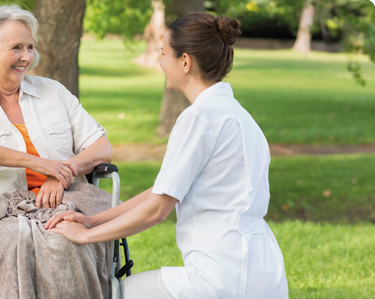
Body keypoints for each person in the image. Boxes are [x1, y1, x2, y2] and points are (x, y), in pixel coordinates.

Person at [46, 12, 288, 299]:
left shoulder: (199, 118)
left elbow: (157, 209)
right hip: (267, 275)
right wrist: (94, 220)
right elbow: (162, 191)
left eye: (163, 54)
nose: (160, 63)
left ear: (185, 62)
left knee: (115, 294)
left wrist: (86, 236)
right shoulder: (243, 118)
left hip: (217, 279)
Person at [0, 5, 111, 217]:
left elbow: (102, 148)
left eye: (30, 47)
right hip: (5, 214)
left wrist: (60, 173)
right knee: (56, 239)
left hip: (67, 203)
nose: (27, 57)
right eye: (16, 48)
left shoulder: (54, 92)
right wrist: (39, 163)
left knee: (68, 231)